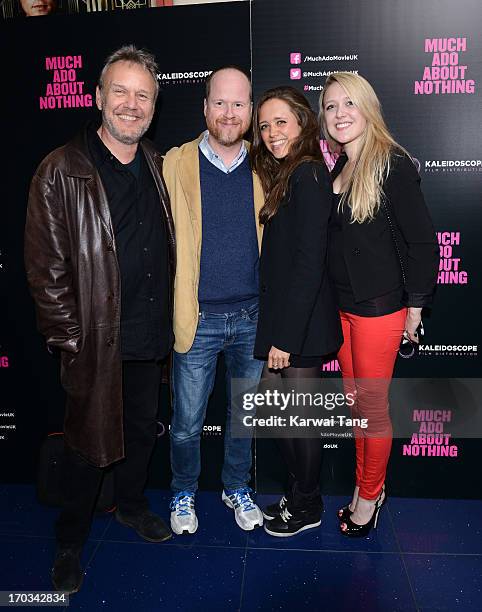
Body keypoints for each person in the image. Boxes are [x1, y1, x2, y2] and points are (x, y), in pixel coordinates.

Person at [24, 45, 175, 593]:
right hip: (94, 342)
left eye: (143, 95)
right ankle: (69, 540)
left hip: (149, 334)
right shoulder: (60, 169)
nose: (131, 105)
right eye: (121, 91)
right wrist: (70, 342)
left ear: (154, 105)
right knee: (87, 448)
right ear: (97, 97)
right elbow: (46, 270)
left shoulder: (160, 164)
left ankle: (132, 506)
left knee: (140, 432)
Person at [319, 72, 439, 537]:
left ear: (368, 108)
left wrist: (414, 309)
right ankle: (363, 486)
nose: (340, 114)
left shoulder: (392, 163)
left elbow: (423, 243)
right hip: (342, 309)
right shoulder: (339, 167)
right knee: (357, 407)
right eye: (330, 106)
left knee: (371, 408)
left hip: (379, 309)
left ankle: (369, 496)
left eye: (349, 103)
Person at [163, 66, 265, 535]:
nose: (229, 113)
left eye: (238, 104)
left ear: (250, 110)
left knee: (244, 415)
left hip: (252, 317)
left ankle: (235, 486)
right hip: (198, 318)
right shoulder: (175, 163)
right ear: (204, 107)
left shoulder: (268, 167)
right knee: (186, 422)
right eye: (219, 103)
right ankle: (183, 490)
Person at [251, 86, 343, 537]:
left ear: (303, 123)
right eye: (264, 125)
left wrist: (284, 338)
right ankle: (301, 494)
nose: (271, 133)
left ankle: (308, 506)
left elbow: (309, 263)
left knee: (299, 422)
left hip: (301, 328)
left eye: (280, 122)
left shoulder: (308, 174)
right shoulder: (291, 172)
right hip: (293, 322)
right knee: (276, 411)